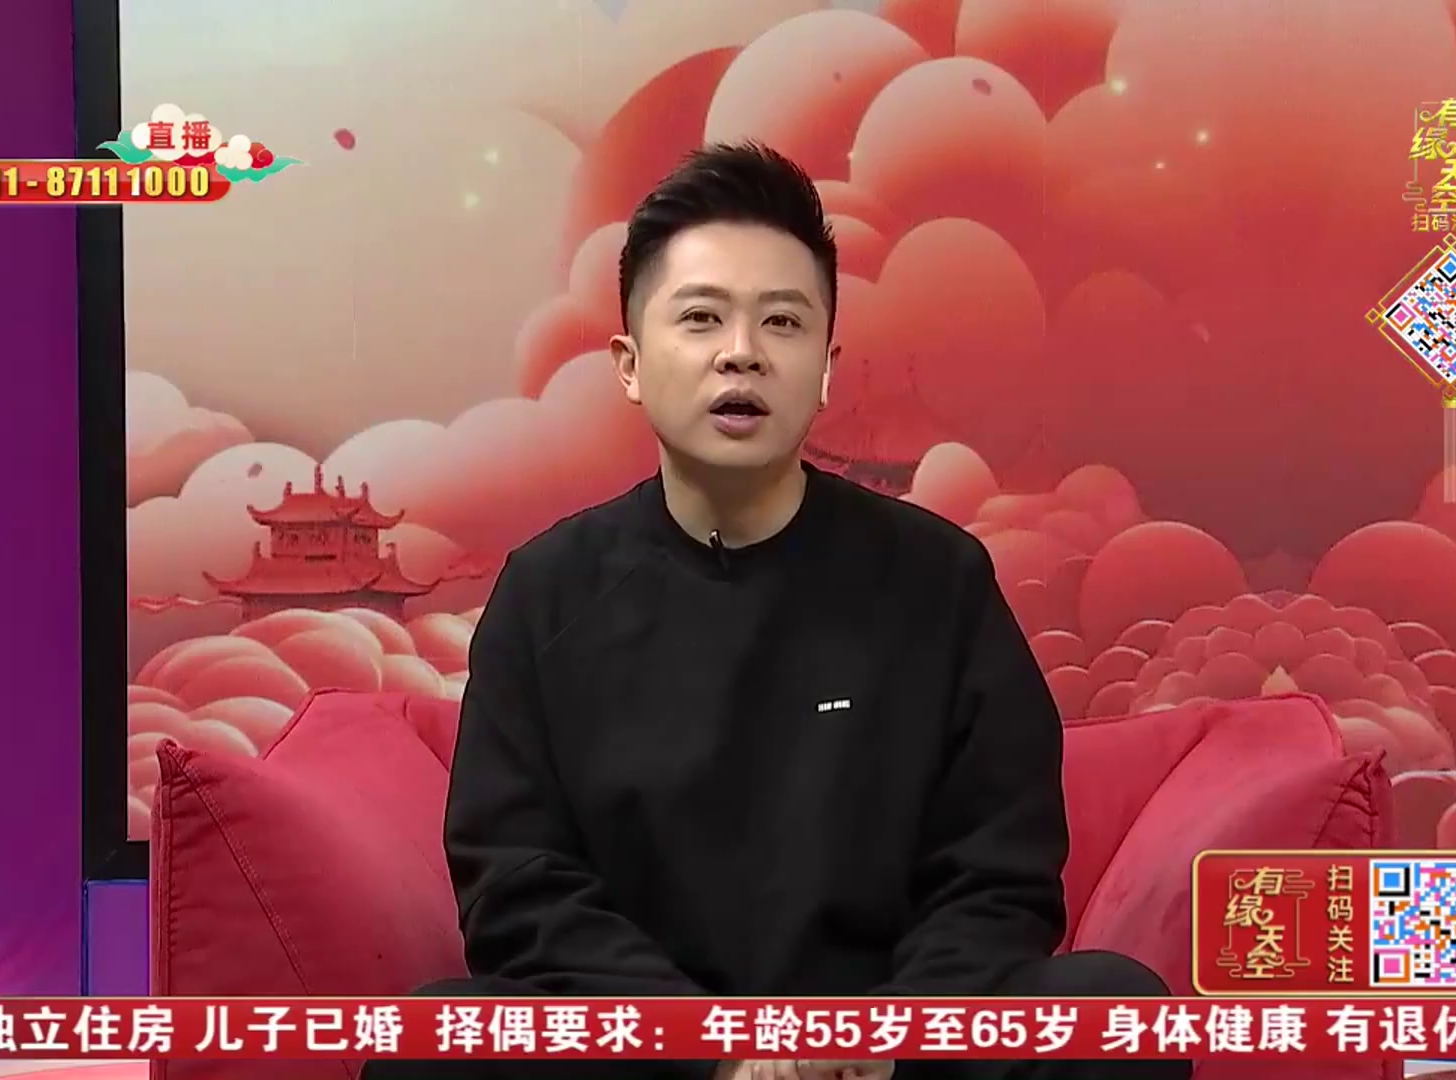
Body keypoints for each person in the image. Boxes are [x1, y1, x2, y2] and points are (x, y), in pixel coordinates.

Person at [365, 142, 1187, 1080]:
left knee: (1112, 1009)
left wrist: (881, 1040)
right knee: (432, 1041)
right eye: (700, 317)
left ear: (826, 369)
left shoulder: (940, 579)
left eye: (782, 321)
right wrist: (709, 1047)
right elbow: (520, 888)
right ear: (630, 364)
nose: (741, 352)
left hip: (893, 1058)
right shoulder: (545, 592)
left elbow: (996, 874)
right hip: (651, 1058)